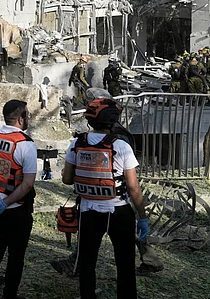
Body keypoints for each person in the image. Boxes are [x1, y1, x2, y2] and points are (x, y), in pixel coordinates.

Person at [63, 98, 147, 299]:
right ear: (113, 120)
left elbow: (67, 179)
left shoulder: (77, 143)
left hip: (87, 210)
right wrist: (142, 218)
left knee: (87, 260)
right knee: (125, 262)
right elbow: (134, 188)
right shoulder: (122, 146)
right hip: (118, 211)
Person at [0, 99, 38, 299]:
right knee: (16, 253)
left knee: (2, 236)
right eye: (27, 114)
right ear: (21, 118)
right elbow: (27, 184)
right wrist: (6, 202)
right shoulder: (25, 144)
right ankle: (9, 294)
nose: (28, 117)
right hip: (16, 206)